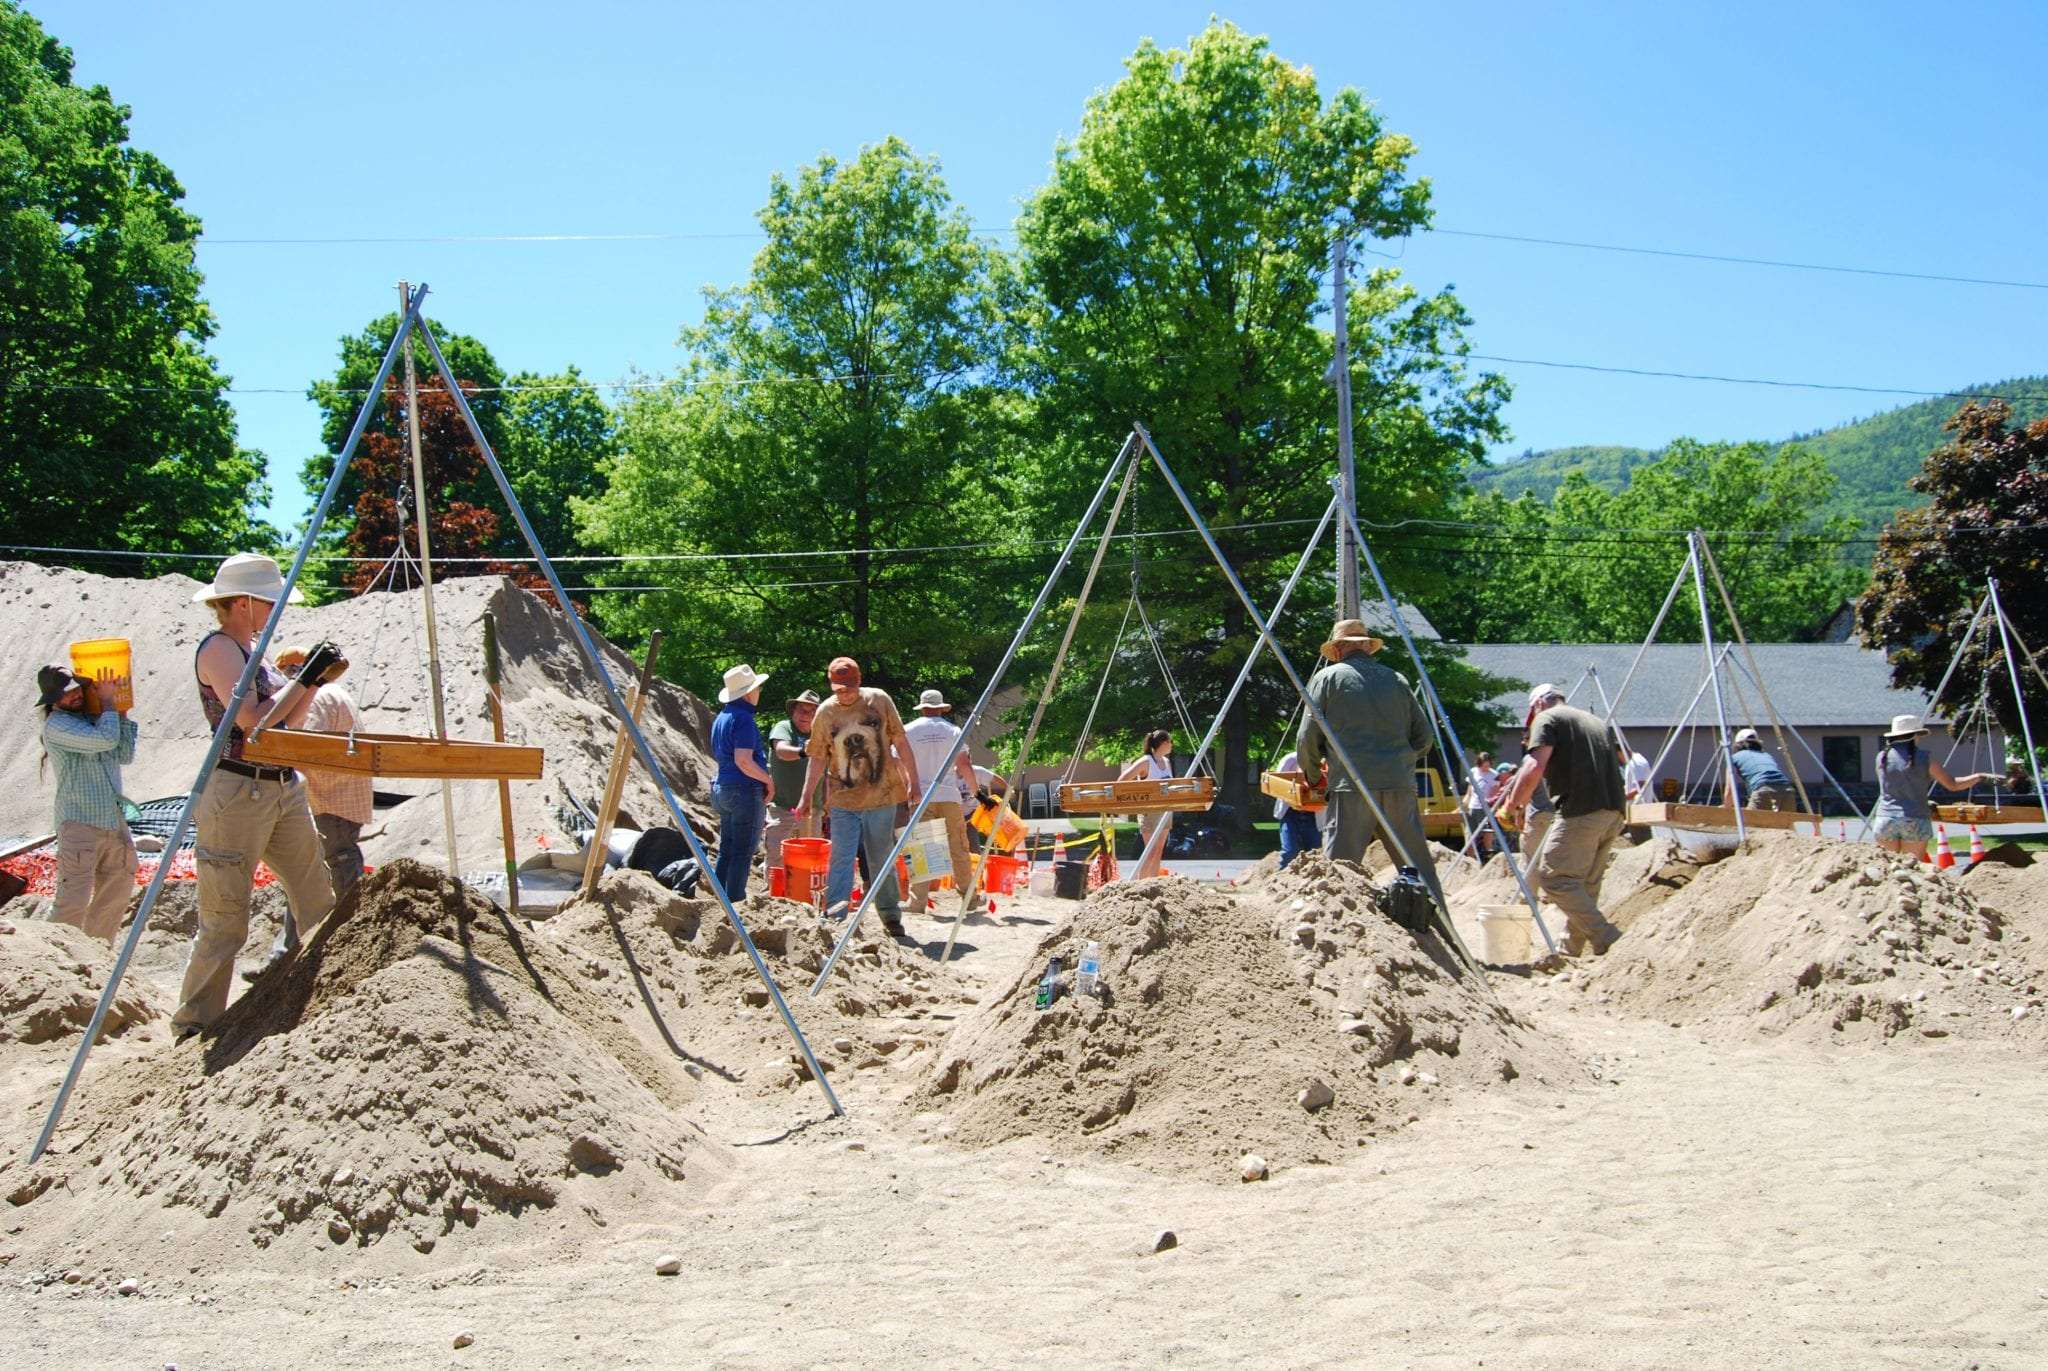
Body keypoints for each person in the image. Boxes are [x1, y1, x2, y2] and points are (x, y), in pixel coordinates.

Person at [173, 554, 340, 1039]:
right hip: (236, 788)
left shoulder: (258, 652)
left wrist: (314, 680)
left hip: (282, 785)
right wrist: (304, 679)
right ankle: (195, 1023)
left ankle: (325, 998)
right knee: (225, 917)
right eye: (271, 601)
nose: (277, 610)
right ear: (244, 603)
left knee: (316, 898)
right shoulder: (219, 649)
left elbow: (288, 721)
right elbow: (251, 720)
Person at [1296, 619, 1441, 903]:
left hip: (1352, 786)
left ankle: (1333, 939)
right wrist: (1399, 761)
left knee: (1339, 873)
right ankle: (1443, 934)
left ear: (1337, 650)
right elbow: (1424, 739)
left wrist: (1314, 777)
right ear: (1368, 648)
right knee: (1419, 870)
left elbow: (1307, 737)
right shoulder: (1396, 680)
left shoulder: (1328, 678)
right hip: (1400, 785)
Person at [1496, 683, 1627, 961]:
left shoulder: (1548, 718)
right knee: (1586, 885)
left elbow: (1533, 766)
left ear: (1538, 704)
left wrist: (1512, 805)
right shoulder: (1594, 721)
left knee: (1555, 879)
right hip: (1614, 809)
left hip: (1581, 808)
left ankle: (1608, 937)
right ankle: (1571, 952)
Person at [791, 657, 919, 938]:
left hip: (881, 794)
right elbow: (816, 759)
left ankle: (890, 916)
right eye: (838, 688)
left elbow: (900, 740)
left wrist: (915, 783)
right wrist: (805, 798)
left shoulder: (880, 701)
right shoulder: (825, 712)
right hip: (843, 798)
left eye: (848, 687)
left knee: (880, 857)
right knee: (841, 855)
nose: (844, 693)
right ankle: (836, 914)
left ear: (859, 681)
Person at [37, 662, 139, 942]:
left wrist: (121, 712)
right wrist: (107, 702)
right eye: (68, 693)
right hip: (80, 823)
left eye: (78, 689)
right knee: (74, 900)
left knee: (114, 898)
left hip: (113, 823)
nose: (76, 695)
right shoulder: (57, 726)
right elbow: (106, 741)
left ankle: (96, 957)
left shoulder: (94, 720)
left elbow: (124, 754)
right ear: (53, 700)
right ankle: (52, 954)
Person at [273, 644, 372, 902]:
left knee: (335, 866)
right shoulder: (335, 692)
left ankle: (346, 929)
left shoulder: (316, 697)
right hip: (345, 795)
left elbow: (305, 746)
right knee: (319, 872)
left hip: (327, 798)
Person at [1871, 714, 1997, 861]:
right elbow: (1953, 785)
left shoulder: (1881, 757)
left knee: (1889, 868)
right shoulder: (1924, 757)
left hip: (1884, 818)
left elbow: (1892, 786)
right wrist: (1979, 777)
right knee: (1911, 867)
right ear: (1915, 735)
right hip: (1915, 817)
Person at [901, 688, 980, 909]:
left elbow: (898, 762)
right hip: (949, 795)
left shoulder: (908, 731)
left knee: (921, 848)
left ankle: (917, 902)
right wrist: (977, 792)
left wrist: (907, 786)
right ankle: (969, 898)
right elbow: (964, 764)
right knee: (959, 848)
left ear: (923, 707)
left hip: (920, 796)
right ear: (941, 708)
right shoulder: (953, 731)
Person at [708, 663, 774, 901]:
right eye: (757, 688)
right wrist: (768, 780)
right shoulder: (744, 718)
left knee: (727, 850)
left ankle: (720, 901)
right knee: (742, 853)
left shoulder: (722, 717)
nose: (759, 692)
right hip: (743, 790)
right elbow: (744, 761)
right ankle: (735, 905)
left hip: (722, 788)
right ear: (748, 692)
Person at [763, 690, 820, 869]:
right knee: (777, 856)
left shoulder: (820, 733)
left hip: (813, 809)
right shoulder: (784, 727)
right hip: (783, 807)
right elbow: (781, 750)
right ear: (793, 711)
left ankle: (805, 895)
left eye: (812, 712)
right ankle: (773, 893)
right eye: (803, 710)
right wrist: (804, 751)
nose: (807, 716)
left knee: (810, 860)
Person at [1120, 728, 1175, 880]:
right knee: (1149, 852)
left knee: (1158, 851)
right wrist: (1133, 799)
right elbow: (1122, 780)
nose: (1172, 745)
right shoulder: (1146, 761)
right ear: (1164, 743)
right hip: (1149, 812)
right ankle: (1141, 885)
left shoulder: (1166, 762)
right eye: (1170, 741)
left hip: (1165, 811)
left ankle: (1154, 884)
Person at [1270, 749, 1325, 870]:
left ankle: (1311, 883)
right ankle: (1281, 881)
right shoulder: (1290, 760)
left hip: (1313, 816)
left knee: (1314, 853)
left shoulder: (1325, 763)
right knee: (1289, 852)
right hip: (1290, 813)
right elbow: (1277, 785)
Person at [1727, 728, 1797, 812]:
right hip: (1788, 791)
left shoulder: (1734, 758)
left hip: (1763, 790)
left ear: (1737, 745)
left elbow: (1729, 790)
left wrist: (1726, 809)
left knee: (1751, 823)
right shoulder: (1767, 755)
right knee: (1784, 824)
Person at [1461, 750, 1502, 859]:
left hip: (1485, 808)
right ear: (1479, 764)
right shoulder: (1473, 772)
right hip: (1472, 807)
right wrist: (1464, 803)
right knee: (1470, 835)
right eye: (1484, 766)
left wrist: (1491, 807)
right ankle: (1471, 859)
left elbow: (1494, 794)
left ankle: (1487, 857)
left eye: (1488, 766)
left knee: (1487, 833)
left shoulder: (1494, 775)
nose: (1486, 769)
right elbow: (1469, 792)